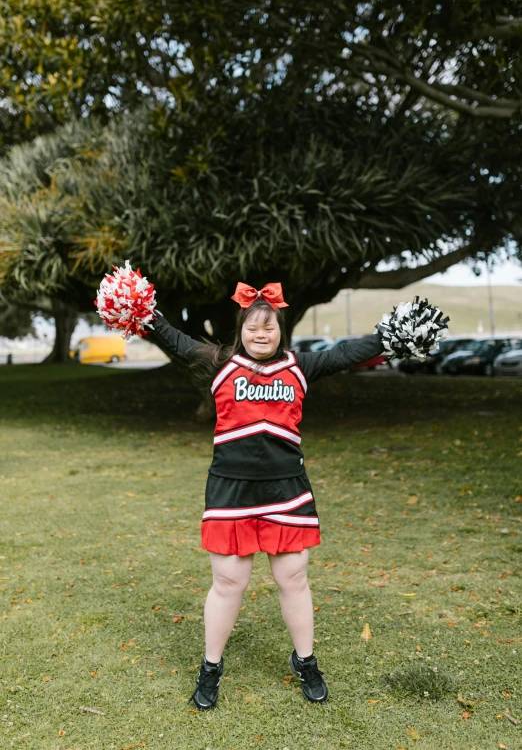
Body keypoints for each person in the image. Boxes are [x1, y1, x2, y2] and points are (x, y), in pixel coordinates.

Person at [144, 281, 385, 710]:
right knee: (228, 582)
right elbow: (177, 342)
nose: (261, 333)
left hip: (286, 493)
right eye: (253, 327)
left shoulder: (298, 365)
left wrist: (389, 338)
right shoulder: (219, 362)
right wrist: (145, 313)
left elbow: (347, 353)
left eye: (269, 326)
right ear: (241, 330)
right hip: (230, 491)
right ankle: (211, 667)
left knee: (293, 578)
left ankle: (305, 660)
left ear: (280, 329)